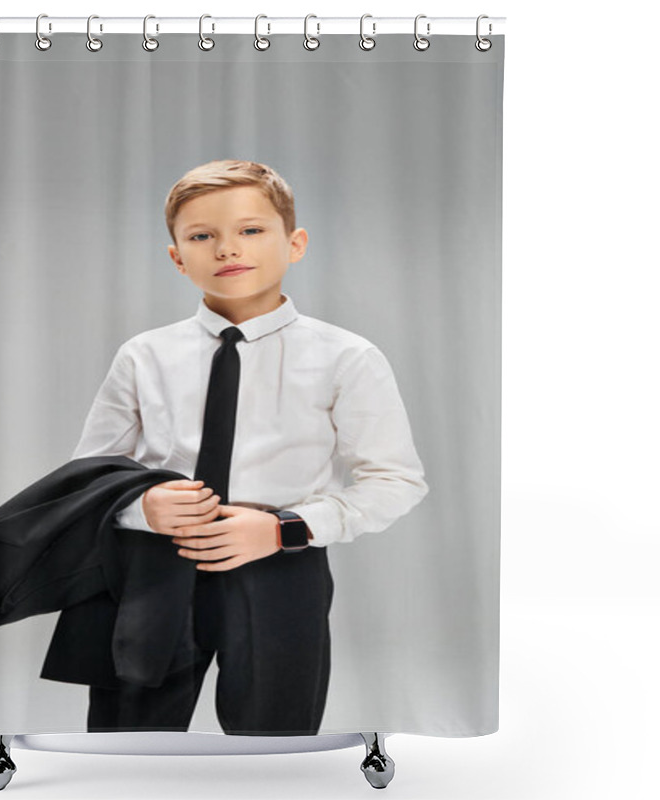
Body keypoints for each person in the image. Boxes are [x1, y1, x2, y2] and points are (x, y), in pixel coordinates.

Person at [72, 159, 429, 735]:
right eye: (201, 236)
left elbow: (396, 481)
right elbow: (87, 478)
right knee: (128, 737)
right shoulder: (145, 355)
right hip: (155, 566)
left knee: (275, 739)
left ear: (296, 243)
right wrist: (140, 509)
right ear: (177, 258)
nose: (226, 249)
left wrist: (285, 529)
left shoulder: (347, 358)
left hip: (281, 568)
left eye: (251, 230)